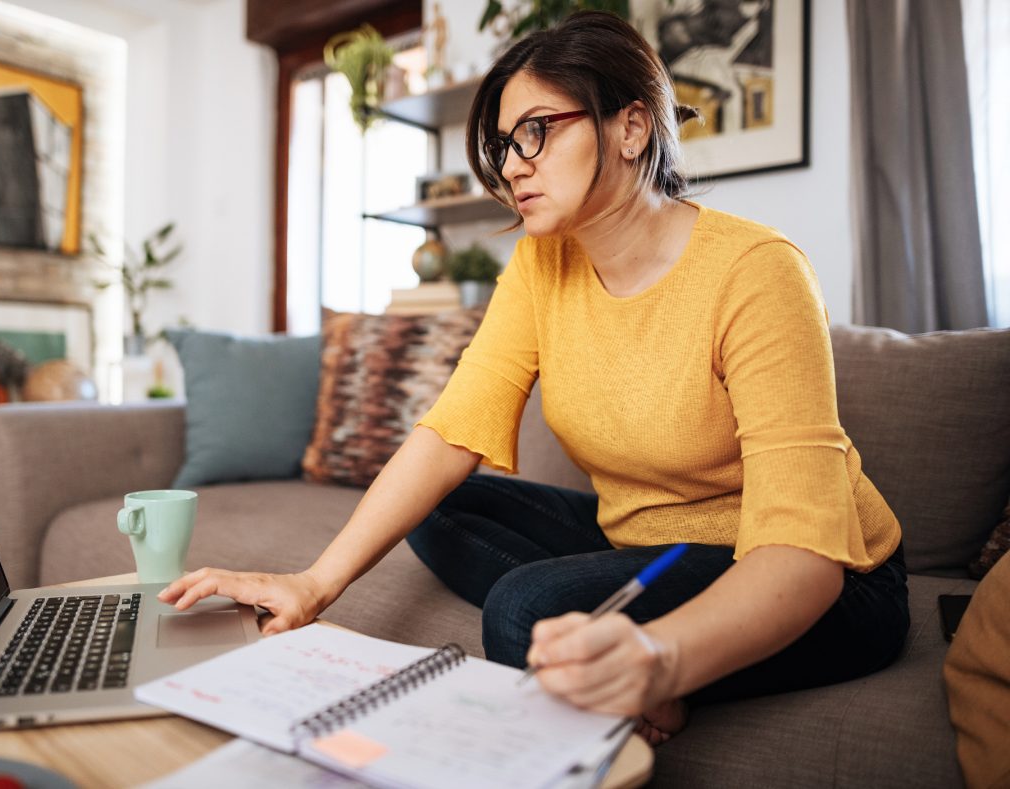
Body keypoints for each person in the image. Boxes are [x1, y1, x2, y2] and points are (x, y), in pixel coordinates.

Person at [159, 10, 909, 745]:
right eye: (504, 142)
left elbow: (803, 561)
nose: (513, 163)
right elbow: (452, 430)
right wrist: (313, 583)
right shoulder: (542, 264)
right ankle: (622, 663)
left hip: (827, 574)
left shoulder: (756, 272)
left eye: (536, 131)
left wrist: (660, 659)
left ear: (631, 126)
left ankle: (649, 685)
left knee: (524, 610)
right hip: (640, 540)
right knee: (440, 504)